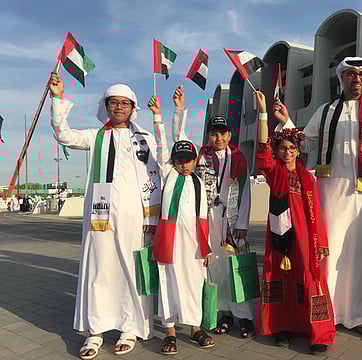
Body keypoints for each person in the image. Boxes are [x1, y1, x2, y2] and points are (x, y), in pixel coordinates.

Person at [274, 57, 362, 339]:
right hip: (330, 194)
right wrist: (287, 122)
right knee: (328, 252)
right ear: (341, 78)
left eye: (361, 75)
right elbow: (304, 142)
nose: (355, 80)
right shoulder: (327, 110)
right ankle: (326, 312)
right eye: (350, 75)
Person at [49, 73, 161, 359]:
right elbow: (64, 134)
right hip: (100, 217)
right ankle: (95, 331)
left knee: (129, 271)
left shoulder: (144, 139)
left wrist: (152, 219)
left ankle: (129, 328)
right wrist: (57, 98)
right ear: (107, 106)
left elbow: (157, 176)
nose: (120, 107)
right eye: (114, 103)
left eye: (125, 103)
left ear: (133, 108)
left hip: (135, 217)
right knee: (99, 270)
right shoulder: (96, 136)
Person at [255, 90, 336, 354]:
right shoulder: (274, 173)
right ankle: (282, 328)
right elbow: (262, 150)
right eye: (283, 148)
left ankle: (319, 334)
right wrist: (264, 113)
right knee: (280, 278)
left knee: (311, 279)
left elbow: (317, 213)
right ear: (277, 152)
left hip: (306, 236)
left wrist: (320, 242)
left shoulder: (307, 177)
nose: (288, 151)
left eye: (292, 148)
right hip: (281, 236)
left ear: (297, 151)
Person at [171, 87, 255, 338]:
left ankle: (246, 316)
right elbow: (179, 139)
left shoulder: (239, 157)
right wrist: (179, 109)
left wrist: (243, 223)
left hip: (231, 219)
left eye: (222, 133)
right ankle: (223, 312)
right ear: (208, 136)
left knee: (236, 266)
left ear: (229, 135)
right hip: (207, 216)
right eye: (213, 134)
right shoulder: (200, 156)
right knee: (215, 267)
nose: (218, 138)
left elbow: (246, 192)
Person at [148, 95, 215, 355]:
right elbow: (164, 143)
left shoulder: (197, 182)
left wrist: (206, 248)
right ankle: (170, 332)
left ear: (195, 160)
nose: (185, 164)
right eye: (180, 160)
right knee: (169, 284)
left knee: (194, 284)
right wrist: (159, 115)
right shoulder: (169, 176)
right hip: (170, 243)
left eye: (189, 159)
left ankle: (195, 328)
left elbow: (204, 217)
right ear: (174, 161)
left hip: (195, 246)